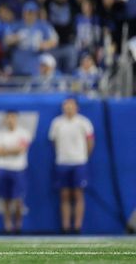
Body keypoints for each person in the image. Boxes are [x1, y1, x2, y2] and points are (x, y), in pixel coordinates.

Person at [49, 97, 94, 234]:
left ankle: (77, 226)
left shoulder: (84, 122)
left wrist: (84, 157)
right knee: (64, 195)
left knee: (78, 194)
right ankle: (65, 226)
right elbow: (53, 141)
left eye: (71, 105)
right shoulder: (57, 123)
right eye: (66, 105)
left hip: (79, 162)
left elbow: (90, 142)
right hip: (63, 162)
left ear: (76, 107)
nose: (68, 108)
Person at [0, 111, 32, 234]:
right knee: (6, 200)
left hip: (18, 169)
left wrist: (5, 150)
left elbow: (22, 150)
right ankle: (8, 226)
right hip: (3, 168)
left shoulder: (24, 133)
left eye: (12, 117)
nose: (10, 120)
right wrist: (13, 150)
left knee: (19, 200)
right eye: (8, 117)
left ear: (16, 119)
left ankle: (18, 225)